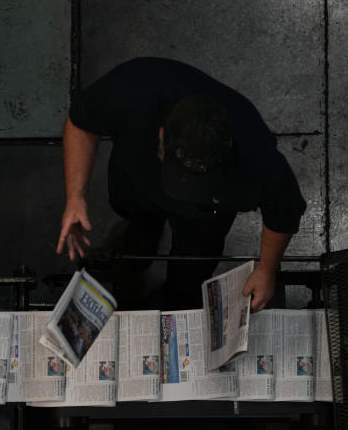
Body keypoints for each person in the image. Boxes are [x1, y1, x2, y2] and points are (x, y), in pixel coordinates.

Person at [56, 57, 306, 311]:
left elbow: (283, 211)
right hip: (135, 185)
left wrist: (266, 269)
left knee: (191, 268)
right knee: (137, 225)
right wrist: (76, 196)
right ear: (162, 135)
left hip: (205, 218)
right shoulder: (133, 89)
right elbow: (80, 123)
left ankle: (177, 297)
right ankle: (143, 237)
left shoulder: (257, 153)